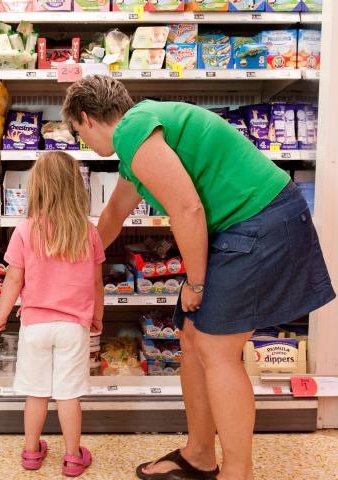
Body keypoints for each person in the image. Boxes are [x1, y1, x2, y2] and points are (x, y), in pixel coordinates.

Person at [62, 75, 335, 480]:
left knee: (215, 348)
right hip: (244, 224)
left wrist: (196, 283)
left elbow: (187, 209)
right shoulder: (138, 143)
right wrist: (77, 261)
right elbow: (115, 214)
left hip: (259, 221)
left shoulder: (134, 129)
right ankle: (200, 454)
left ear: (85, 118)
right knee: (190, 337)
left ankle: (237, 472)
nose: (82, 142)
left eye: (77, 132)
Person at [0, 152, 105, 478]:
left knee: (36, 392)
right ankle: (72, 457)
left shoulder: (25, 230)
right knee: (69, 395)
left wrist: (1, 315)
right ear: (76, 188)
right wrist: (97, 316)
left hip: (35, 324)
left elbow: (14, 278)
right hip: (73, 326)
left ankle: (31, 452)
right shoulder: (88, 231)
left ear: (37, 187)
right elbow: (97, 282)